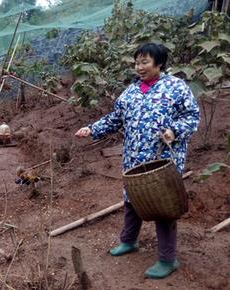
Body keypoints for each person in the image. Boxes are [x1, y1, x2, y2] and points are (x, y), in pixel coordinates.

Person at [75, 43, 200, 279]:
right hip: (133, 157)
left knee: (163, 206)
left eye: (145, 62)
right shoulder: (130, 92)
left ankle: (167, 258)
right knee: (132, 199)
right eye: (137, 63)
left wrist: (174, 131)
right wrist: (92, 129)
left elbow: (192, 116)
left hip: (163, 159)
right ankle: (129, 241)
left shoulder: (176, 87)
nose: (139, 67)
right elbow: (115, 119)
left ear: (159, 63)